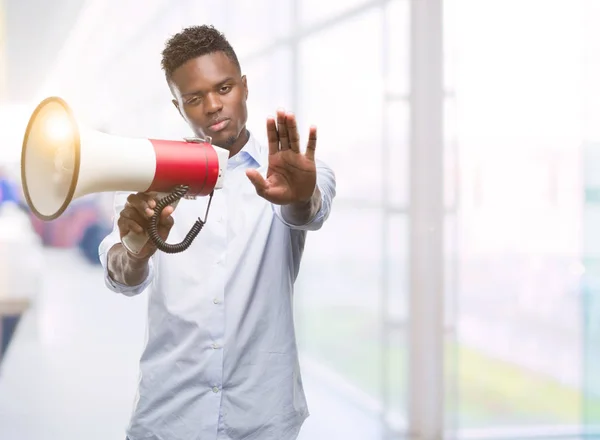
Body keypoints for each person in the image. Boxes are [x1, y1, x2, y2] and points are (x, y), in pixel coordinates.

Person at [98, 25, 336, 440]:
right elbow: (122, 276)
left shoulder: (294, 172)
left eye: (223, 88)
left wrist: (300, 197)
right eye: (193, 98)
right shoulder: (148, 180)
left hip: (263, 417)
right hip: (169, 417)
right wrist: (137, 248)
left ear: (244, 87)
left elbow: (309, 211)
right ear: (178, 107)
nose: (212, 105)